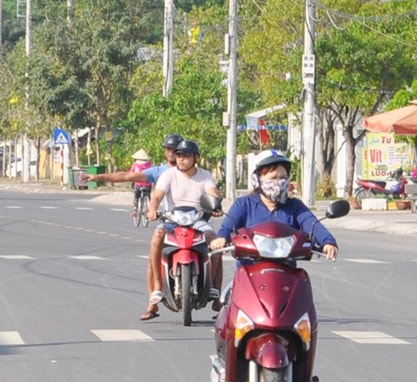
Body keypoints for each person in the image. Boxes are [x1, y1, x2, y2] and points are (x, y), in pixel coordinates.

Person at [211, 149, 339, 273]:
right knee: (233, 292)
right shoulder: (244, 204)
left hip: (286, 273)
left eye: (283, 177)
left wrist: (327, 242)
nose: (278, 182)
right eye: (273, 178)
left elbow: (311, 224)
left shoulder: (295, 206)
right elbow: (228, 226)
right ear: (257, 180)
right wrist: (221, 238)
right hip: (249, 272)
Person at [138, 137, 219, 320]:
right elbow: (157, 196)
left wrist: (215, 205)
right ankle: (156, 293)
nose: (181, 159)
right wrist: (152, 209)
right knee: (157, 236)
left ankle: (214, 291)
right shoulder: (169, 174)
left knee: (215, 242)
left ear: (195, 158)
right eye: (179, 155)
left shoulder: (205, 175)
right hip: (172, 220)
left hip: (197, 220)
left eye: (186, 156)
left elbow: (212, 193)